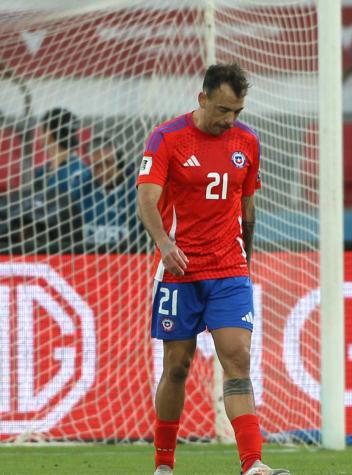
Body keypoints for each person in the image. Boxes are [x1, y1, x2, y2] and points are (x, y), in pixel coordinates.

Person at [136, 63, 288, 475]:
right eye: (223, 110)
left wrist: (247, 261)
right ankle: (164, 465)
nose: (229, 120)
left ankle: (253, 464)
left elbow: (247, 206)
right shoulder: (166, 138)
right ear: (202, 99)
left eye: (236, 111)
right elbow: (146, 200)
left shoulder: (248, 141)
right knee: (177, 366)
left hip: (228, 269)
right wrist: (164, 245)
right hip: (179, 271)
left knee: (237, 358)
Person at [28, 107, 90, 244]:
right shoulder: (41, 172)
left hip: (69, 245)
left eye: (41, 128)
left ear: (48, 133)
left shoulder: (78, 173)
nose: (38, 133)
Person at [81, 136, 140, 245]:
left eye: (107, 163)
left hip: (130, 257)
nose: (102, 171)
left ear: (119, 161)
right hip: (88, 258)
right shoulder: (82, 189)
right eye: (96, 166)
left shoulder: (137, 190)